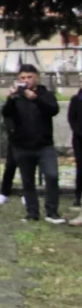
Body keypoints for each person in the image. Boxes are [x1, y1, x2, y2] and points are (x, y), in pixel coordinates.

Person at [1, 64, 63, 223]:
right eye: (22, 78)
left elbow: (53, 110)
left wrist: (36, 99)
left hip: (44, 145)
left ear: (37, 77)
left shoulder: (46, 94)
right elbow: (6, 113)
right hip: (22, 146)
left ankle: (52, 212)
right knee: (28, 181)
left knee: (52, 176)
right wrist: (10, 98)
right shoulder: (17, 97)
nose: (26, 81)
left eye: (29, 77)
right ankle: (32, 213)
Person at [70, 88, 82, 217]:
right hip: (79, 140)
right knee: (80, 169)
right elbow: (71, 119)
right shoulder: (76, 99)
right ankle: (78, 196)